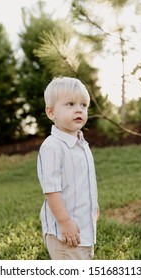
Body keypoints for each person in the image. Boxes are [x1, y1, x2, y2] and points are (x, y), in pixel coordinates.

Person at [37, 76, 99, 260]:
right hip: (64, 234)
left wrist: (93, 206)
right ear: (51, 112)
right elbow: (51, 190)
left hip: (82, 228)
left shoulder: (81, 144)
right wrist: (64, 222)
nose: (79, 109)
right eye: (70, 104)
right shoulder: (52, 147)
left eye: (83, 105)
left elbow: (84, 181)